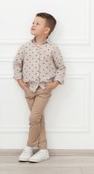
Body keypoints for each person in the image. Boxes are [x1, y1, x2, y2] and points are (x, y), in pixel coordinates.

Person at [13, 12, 66, 163]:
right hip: (29, 88)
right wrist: (19, 81)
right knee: (39, 119)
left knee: (34, 118)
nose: (33, 25)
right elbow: (17, 64)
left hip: (44, 89)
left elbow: (61, 68)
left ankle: (29, 147)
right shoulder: (25, 47)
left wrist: (55, 83)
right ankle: (43, 150)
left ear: (46, 30)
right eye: (33, 22)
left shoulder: (53, 49)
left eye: (38, 23)